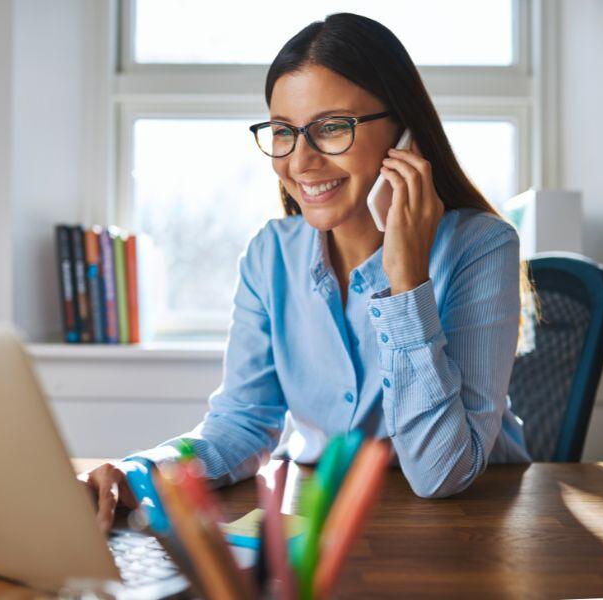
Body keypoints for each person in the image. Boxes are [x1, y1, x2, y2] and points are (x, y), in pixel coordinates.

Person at [80, 12, 531, 533]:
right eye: (283, 132)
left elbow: (440, 474)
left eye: (332, 127)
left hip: (473, 524)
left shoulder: (480, 246)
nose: (300, 161)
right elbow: (243, 423)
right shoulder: (271, 254)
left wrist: (406, 279)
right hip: (323, 521)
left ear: (405, 133)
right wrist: (141, 471)